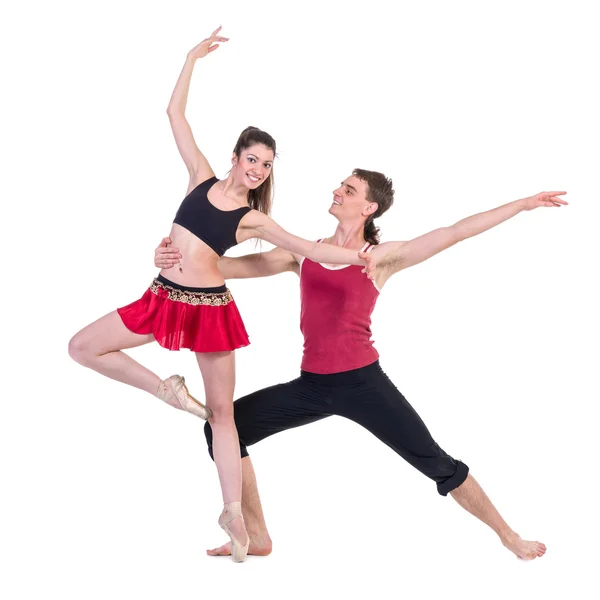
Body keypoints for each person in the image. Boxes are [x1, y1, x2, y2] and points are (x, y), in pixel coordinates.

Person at [67, 28, 383, 563]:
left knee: (222, 414)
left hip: (209, 310)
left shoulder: (253, 216)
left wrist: (358, 257)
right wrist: (192, 58)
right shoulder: (199, 177)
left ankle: (234, 516)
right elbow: (175, 116)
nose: (257, 169)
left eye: (266, 164)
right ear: (235, 157)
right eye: (252, 158)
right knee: (82, 346)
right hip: (162, 296)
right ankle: (165, 390)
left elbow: (307, 246)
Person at [155, 168, 567, 560]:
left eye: (349, 190)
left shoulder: (380, 257)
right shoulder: (303, 254)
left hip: (362, 384)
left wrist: (524, 203)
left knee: (436, 462)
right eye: (341, 186)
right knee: (222, 427)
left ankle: (510, 537)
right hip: (311, 386)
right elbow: (218, 267)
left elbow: (455, 232)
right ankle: (258, 535)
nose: (337, 192)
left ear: (369, 207)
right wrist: (171, 254)